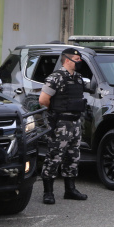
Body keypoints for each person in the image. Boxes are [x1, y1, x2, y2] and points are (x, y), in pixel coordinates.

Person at [38, 48, 88, 204]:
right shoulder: (55, 78)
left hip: (75, 123)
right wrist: (53, 114)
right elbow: (43, 100)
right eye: (77, 58)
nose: (79, 61)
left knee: (73, 157)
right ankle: (48, 192)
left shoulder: (79, 78)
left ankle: (70, 190)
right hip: (61, 123)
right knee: (54, 157)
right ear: (67, 60)